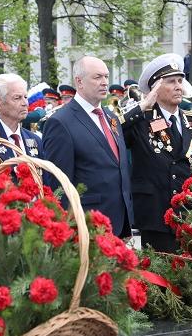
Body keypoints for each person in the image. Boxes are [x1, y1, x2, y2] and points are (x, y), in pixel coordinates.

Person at [121, 53, 192, 253]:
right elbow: (113, 134)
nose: (178, 86)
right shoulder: (140, 121)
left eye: (180, 80)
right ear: (155, 89)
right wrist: (141, 107)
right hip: (154, 216)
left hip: (190, 215)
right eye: (170, 82)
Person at [43, 56, 133, 237]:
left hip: (120, 221)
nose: (104, 82)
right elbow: (59, 186)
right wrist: (70, 230)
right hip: (87, 223)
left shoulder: (111, 117)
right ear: (79, 82)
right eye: (97, 77)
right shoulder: (61, 122)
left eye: (106, 77)